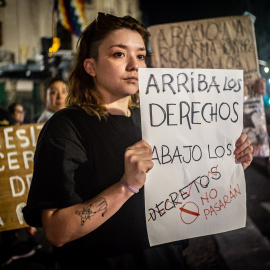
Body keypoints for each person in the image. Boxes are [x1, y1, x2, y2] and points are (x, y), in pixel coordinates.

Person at [23, 13, 253, 269]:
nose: (134, 65)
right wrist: (125, 186)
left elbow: (187, 192)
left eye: (141, 55)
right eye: (119, 54)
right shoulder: (67, 126)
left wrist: (226, 167)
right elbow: (57, 231)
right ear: (91, 66)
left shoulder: (160, 120)